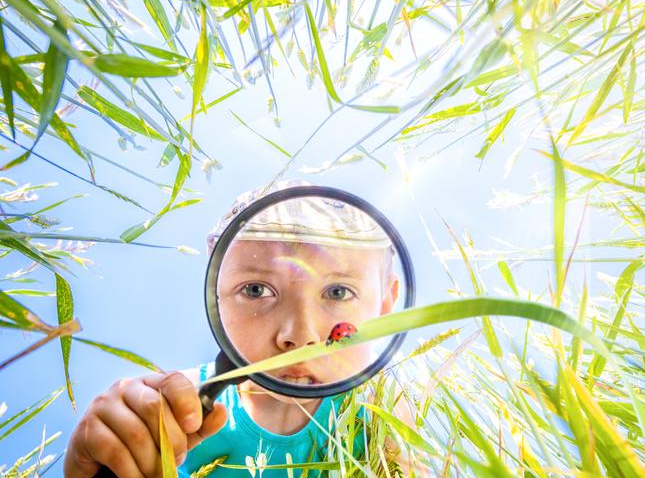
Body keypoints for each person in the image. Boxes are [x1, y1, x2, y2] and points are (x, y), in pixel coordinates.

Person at [64, 181, 414, 478]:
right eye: (256, 290)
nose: (300, 335)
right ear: (217, 300)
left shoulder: (381, 414)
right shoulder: (179, 412)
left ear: (385, 304)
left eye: (338, 292)